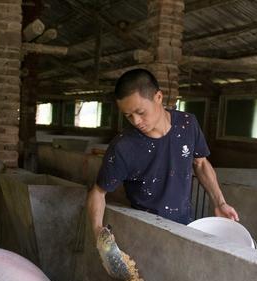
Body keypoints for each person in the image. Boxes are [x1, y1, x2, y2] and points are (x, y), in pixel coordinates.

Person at [87, 68, 238, 239]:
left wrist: (220, 202)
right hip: (144, 231)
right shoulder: (123, 146)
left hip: (185, 226)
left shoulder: (187, 124)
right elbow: (98, 193)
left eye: (140, 112)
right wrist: (97, 231)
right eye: (128, 116)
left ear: (158, 97)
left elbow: (201, 163)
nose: (136, 121)